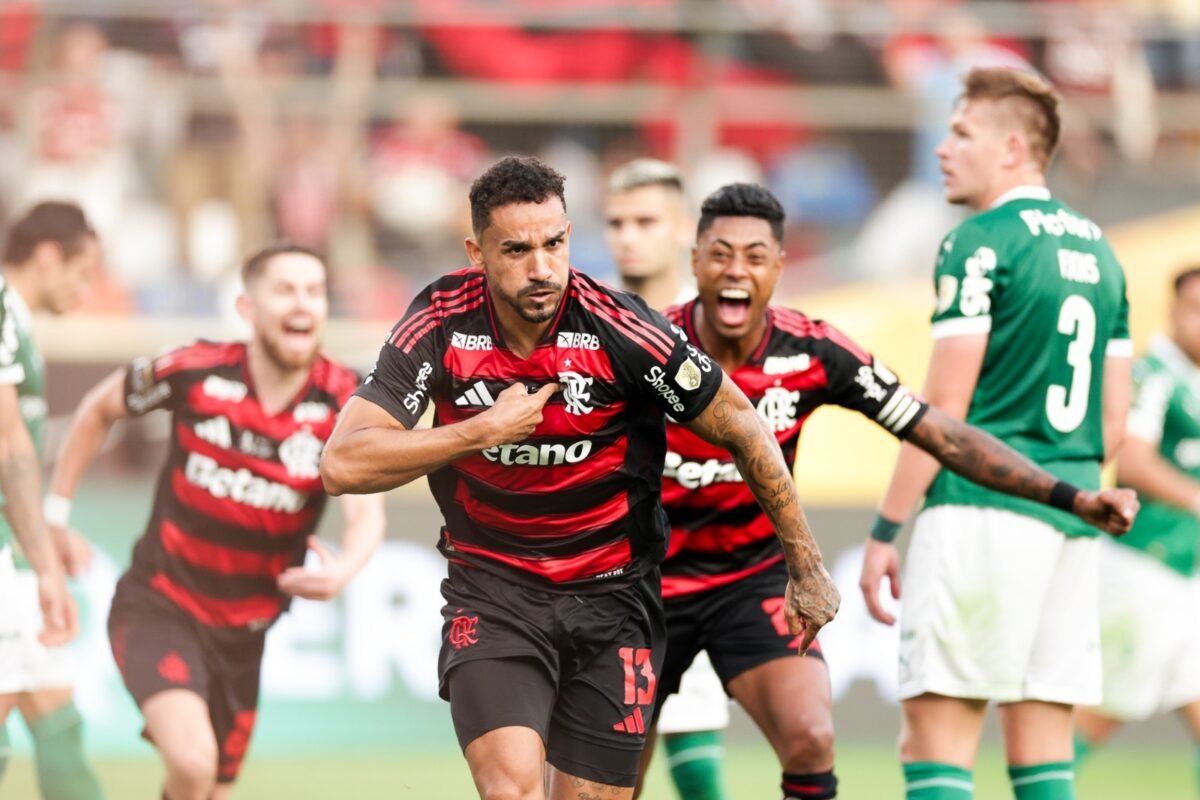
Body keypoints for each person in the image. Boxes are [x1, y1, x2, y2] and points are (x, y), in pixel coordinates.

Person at [318, 155, 840, 800]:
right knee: (512, 790)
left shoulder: (621, 327)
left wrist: (807, 566)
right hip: (495, 593)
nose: (542, 268)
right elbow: (342, 463)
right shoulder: (440, 321)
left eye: (554, 243)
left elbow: (742, 426)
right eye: (516, 249)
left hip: (615, 601)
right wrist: (478, 432)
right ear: (476, 252)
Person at [644, 181, 1137, 800]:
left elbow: (942, 434)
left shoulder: (815, 349)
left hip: (753, 580)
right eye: (719, 254)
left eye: (754, 256)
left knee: (813, 737)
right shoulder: (650, 346)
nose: (735, 271)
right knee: (608, 783)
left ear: (779, 266)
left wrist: (1070, 496)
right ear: (695, 262)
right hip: (644, 584)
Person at [859, 66, 1134, 800]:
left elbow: (943, 409)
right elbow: (1111, 427)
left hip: (980, 516)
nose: (944, 148)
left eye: (960, 132)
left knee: (937, 741)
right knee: (1044, 749)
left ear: (1012, 149)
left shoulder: (978, 241)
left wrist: (887, 528)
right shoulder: (1103, 256)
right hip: (1069, 519)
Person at [47, 243, 386, 800]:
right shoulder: (195, 370)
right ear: (247, 308)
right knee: (193, 763)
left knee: (211, 790)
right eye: (285, 290)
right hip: (159, 604)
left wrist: (345, 569)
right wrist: (56, 515)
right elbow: (96, 410)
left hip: (245, 637)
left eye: (314, 291)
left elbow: (365, 510)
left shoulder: (347, 400)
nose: (301, 303)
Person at [603, 157, 731, 800]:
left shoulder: (715, 329)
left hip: (693, 573)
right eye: (617, 222)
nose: (628, 236)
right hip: (601, 581)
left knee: (695, 759)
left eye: (646, 220)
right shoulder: (584, 324)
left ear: (684, 228)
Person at [1074, 266, 1200, 793]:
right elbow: (1133, 464)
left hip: (1185, 577)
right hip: (1144, 573)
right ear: (1173, 313)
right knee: (1100, 715)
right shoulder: (1155, 376)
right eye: (1195, 309)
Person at [0, 202, 93, 796]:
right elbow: (9, 448)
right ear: (49, 254)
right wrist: (43, 567)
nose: (85, 290)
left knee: (54, 711)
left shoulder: (18, 320)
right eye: (82, 272)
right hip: (10, 555)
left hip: (14, 544)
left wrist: (43, 534)